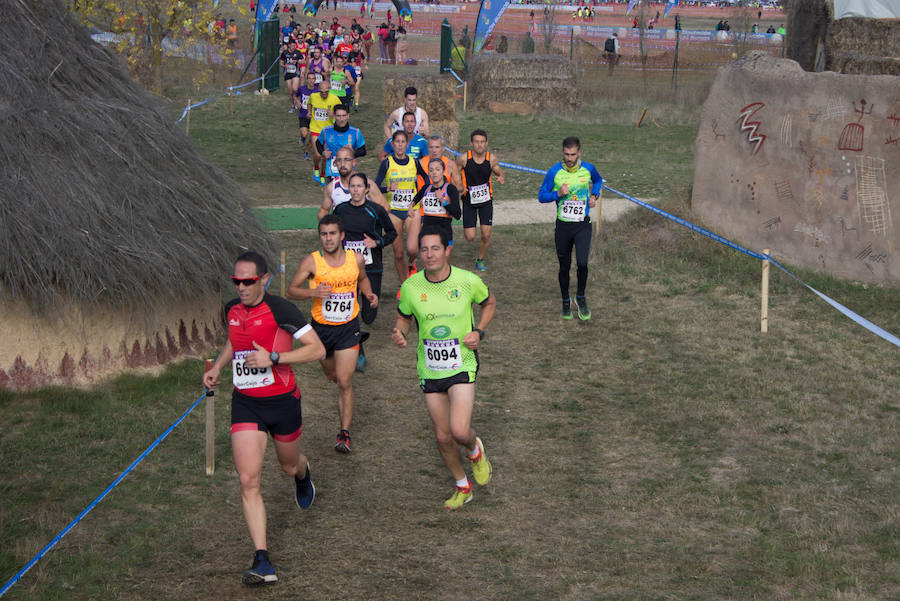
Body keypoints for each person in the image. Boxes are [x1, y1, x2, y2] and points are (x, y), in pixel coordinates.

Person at [202, 251, 325, 585]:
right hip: (247, 404)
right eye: (236, 281)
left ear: (264, 280)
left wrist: (274, 357)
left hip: (283, 402)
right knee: (248, 480)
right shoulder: (231, 310)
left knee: (287, 466)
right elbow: (234, 340)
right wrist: (217, 368)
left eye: (248, 281)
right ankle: (262, 560)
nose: (241, 287)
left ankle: (302, 472)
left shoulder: (281, 309)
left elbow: (317, 349)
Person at [391, 226, 496, 510]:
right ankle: (463, 486)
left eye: (435, 248)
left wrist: (480, 332)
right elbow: (404, 318)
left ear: (447, 249)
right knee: (442, 436)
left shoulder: (467, 281)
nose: (429, 255)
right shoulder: (411, 287)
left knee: (460, 431)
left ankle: (475, 450)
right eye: (424, 249)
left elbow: (489, 304)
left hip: (462, 362)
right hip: (431, 368)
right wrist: (401, 332)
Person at [287, 215, 377, 454]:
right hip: (322, 330)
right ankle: (353, 358)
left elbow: (363, 278)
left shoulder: (355, 258)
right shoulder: (312, 262)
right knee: (332, 375)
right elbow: (291, 291)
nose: (328, 238)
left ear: (342, 235)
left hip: (348, 327)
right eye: (324, 234)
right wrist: (313, 293)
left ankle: (344, 433)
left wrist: (367, 294)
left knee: (345, 382)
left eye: (332, 233)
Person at [334, 173, 398, 371]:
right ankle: (357, 351)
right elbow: (332, 231)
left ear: (366, 189)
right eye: (352, 186)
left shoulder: (376, 210)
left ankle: (358, 338)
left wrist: (376, 242)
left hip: (372, 266)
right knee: (350, 309)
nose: (355, 190)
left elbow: (392, 233)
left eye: (359, 186)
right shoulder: (340, 210)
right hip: (347, 269)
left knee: (369, 316)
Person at [537, 136, 603, 321]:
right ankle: (565, 301)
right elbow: (541, 196)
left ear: (579, 152)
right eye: (566, 154)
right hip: (563, 227)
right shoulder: (554, 172)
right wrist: (557, 194)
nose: (570, 158)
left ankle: (580, 297)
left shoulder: (588, 169)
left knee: (582, 263)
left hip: (582, 225)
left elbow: (598, 181)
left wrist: (594, 196)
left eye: (573, 154)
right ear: (562, 153)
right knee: (564, 266)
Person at [375, 130, 428, 296]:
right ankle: (403, 285)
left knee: (412, 249)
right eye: (396, 142)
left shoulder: (414, 162)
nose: (399, 145)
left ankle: (412, 263)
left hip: (412, 210)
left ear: (407, 144)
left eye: (402, 142)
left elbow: (426, 182)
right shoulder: (387, 163)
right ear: (392, 144)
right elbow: (375, 186)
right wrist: (387, 188)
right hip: (394, 212)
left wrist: (416, 199)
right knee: (398, 254)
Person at [458, 129, 504, 272]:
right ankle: (472, 236)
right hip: (469, 201)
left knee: (486, 234)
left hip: (485, 200)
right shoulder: (464, 159)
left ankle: (480, 259)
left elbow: (498, 171)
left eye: (482, 142)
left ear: (486, 143)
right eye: (476, 142)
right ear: (472, 143)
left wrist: (500, 176)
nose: (479, 145)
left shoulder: (491, 159)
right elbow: (454, 173)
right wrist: (459, 186)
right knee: (470, 237)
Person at [406, 157, 461, 267]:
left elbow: (458, 215)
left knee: (444, 266)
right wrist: (410, 206)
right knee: (430, 265)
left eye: (437, 169)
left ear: (443, 171)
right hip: (428, 233)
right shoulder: (426, 188)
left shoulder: (450, 189)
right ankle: (412, 266)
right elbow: (417, 197)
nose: (434, 173)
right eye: (431, 170)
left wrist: (443, 201)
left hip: (444, 233)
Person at [319, 146, 386, 218]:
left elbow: (385, 208)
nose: (342, 164)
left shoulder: (368, 185)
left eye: (346, 160)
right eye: (339, 160)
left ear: (354, 162)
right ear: (335, 163)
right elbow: (324, 210)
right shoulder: (331, 187)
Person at [316, 104, 366, 182]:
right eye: (338, 116)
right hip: (332, 172)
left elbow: (363, 151)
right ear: (334, 116)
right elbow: (318, 143)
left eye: (344, 115)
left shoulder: (355, 132)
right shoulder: (326, 131)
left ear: (348, 116)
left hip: (349, 172)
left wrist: (353, 153)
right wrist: (323, 153)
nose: (341, 119)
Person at [307, 80, 342, 184]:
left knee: (325, 155)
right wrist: (309, 112)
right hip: (315, 129)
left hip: (328, 132)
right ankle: (316, 168)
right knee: (318, 155)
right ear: (319, 91)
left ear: (329, 90)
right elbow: (309, 104)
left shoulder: (335, 99)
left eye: (326, 92)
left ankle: (323, 174)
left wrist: (334, 114)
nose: (324, 94)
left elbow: (342, 112)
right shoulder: (313, 96)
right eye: (322, 92)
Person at [296, 71, 318, 159]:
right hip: (303, 114)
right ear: (306, 80)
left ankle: (306, 152)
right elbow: (295, 95)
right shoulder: (302, 89)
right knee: (304, 134)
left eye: (313, 79)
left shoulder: (318, 90)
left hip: (314, 117)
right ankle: (302, 138)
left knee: (313, 137)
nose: (311, 81)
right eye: (310, 79)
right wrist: (297, 102)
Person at [281, 40, 304, 113]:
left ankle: (297, 100)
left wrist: (297, 61)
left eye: (294, 45)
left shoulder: (297, 52)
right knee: (290, 92)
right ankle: (292, 105)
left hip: (295, 73)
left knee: (295, 89)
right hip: (287, 73)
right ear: (289, 45)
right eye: (292, 46)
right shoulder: (284, 53)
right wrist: (285, 65)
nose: (293, 47)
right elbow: (281, 63)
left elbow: (303, 61)